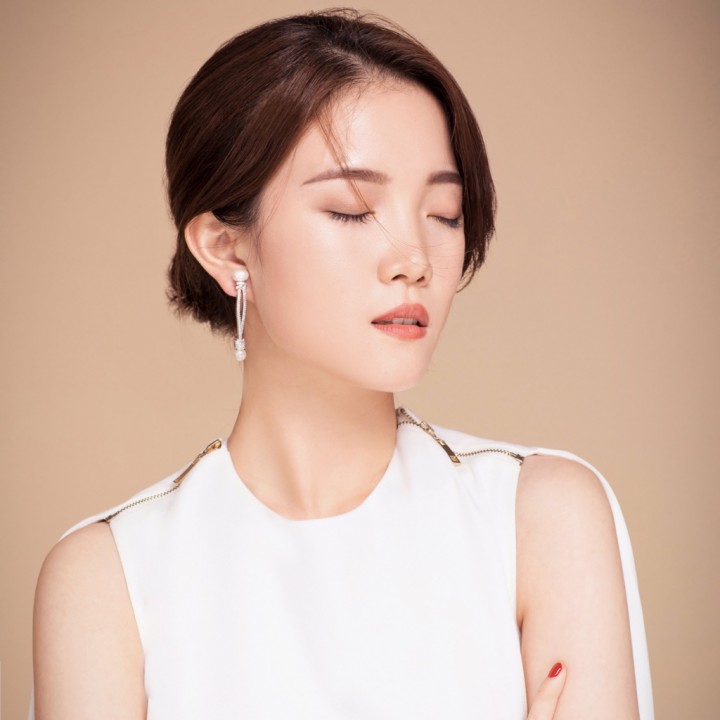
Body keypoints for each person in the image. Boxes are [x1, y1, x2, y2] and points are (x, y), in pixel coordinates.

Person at [31, 9, 652, 719]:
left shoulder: (543, 518)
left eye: (444, 213)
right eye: (353, 210)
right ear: (226, 248)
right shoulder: (108, 577)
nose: (414, 259)